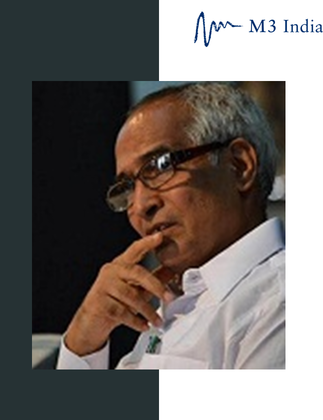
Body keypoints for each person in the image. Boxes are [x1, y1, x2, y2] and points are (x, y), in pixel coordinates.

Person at [57, 82, 284, 369]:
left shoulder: (279, 303)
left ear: (239, 165)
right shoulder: (175, 302)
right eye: (127, 187)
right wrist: (83, 342)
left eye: (161, 165)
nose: (141, 205)